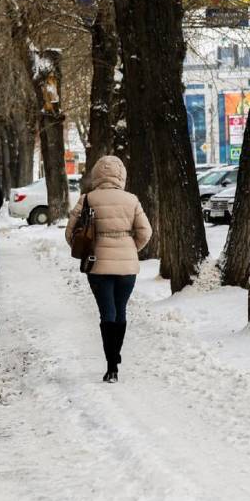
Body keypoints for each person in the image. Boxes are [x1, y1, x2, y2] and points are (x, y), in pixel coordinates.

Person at [65, 155, 151, 383]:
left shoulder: (87, 199)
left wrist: (88, 245)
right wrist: (131, 247)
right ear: (121, 175)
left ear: (97, 175)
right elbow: (146, 232)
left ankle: (111, 365)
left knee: (107, 314)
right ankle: (115, 356)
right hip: (127, 266)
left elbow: (70, 233)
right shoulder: (131, 200)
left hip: (97, 264)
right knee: (120, 311)